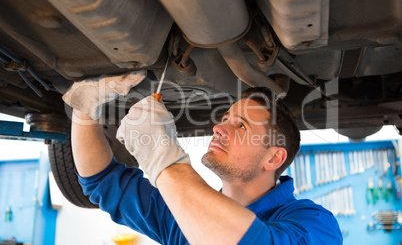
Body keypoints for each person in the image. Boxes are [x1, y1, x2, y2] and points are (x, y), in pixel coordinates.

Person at [64, 72, 342, 244]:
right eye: (224, 119)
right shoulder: (183, 212)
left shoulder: (315, 224)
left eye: (241, 125)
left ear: (274, 158)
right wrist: (85, 109)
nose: (218, 128)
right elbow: (101, 181)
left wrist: (162, 158)